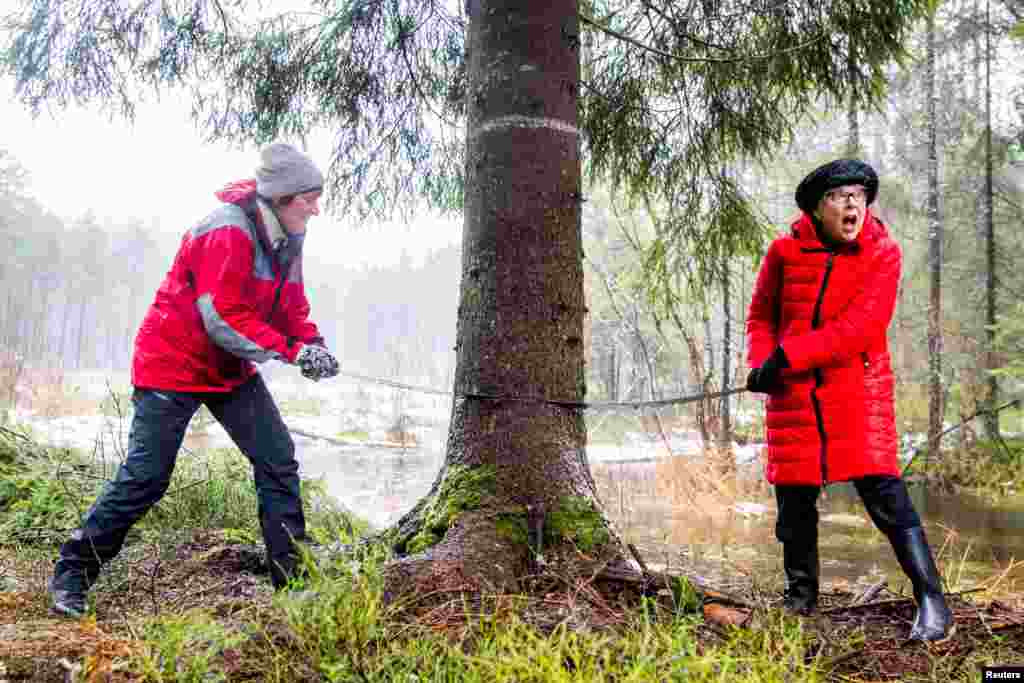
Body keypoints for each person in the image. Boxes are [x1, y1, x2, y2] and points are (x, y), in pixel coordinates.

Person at [48, 143, 341, 617]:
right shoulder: (226, 230)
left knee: (278, 460)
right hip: (173, 363)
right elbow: (223, 317)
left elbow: (291, 305)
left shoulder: (290, 234)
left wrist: (314, 344)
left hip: (228, 369)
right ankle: (72, 575)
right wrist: (291, 351)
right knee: (146, 477)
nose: (316, 208)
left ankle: (294, 586)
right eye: (310, 197)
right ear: (284, 196)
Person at [745, 159, 953, 642]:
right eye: (840, 196)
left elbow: (862, 328)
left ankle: (933, 602)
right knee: (793, 502)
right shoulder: (783, 253)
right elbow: (760, 317)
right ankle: (799, 600)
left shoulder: (883, 253)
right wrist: (762, 362)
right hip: (793, 393)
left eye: (859, 195)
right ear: (817, 209)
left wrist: (787, 354)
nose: (853, 204)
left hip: (858, 390)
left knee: (886, 495)